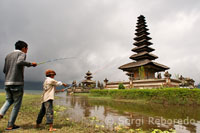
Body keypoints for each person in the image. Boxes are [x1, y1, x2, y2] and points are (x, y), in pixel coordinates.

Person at [0, 40, 37, 131]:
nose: (27, 50)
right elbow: (19, 62)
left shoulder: (8, 56)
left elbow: (4, 70)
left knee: (9, 101)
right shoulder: (22, 54)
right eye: (27, 48)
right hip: (17, 83)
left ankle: (0, 113)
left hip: (7, 83)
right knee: (16, 105)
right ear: (24, 48)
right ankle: (10, 126)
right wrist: (30, 64)